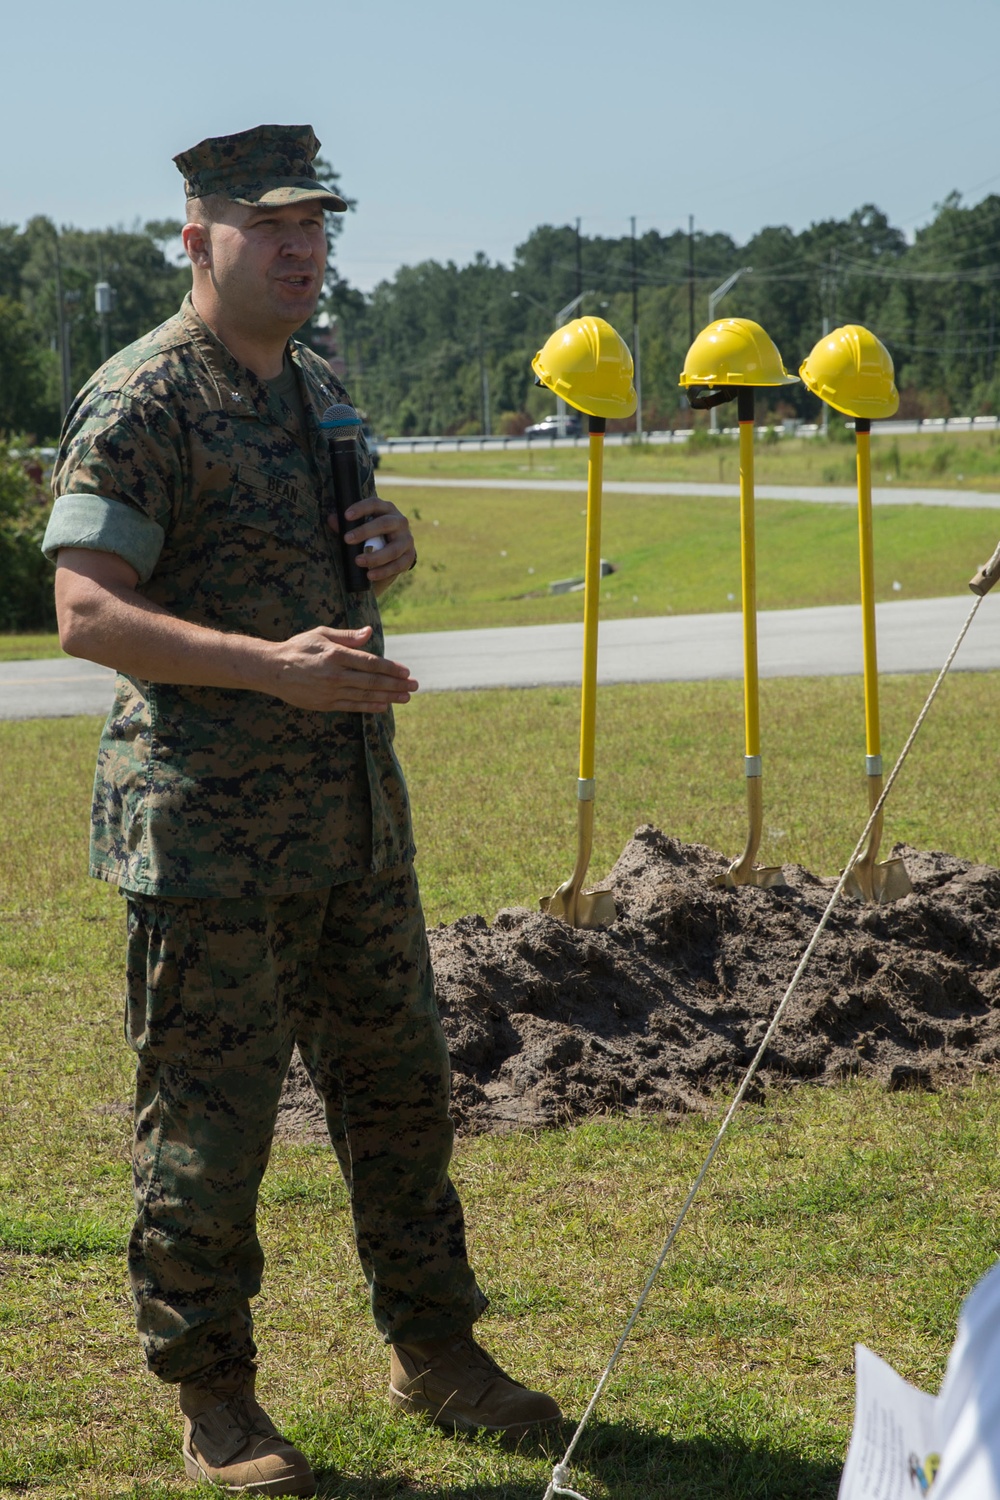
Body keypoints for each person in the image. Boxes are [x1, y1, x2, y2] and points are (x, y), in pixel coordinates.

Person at [42, 124, 559, 1497]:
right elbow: (86, 611)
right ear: (197, 238)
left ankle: (437, 1354)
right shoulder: (146, 397)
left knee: (401, 1103)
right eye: (269, 226)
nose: (300, 250)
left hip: (352, 825)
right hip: (208, 837)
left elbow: (335, 547)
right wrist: (272, 670)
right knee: (209, 1130)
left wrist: (391, 537)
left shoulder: (317, 386)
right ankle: (215, 1400)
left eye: (317, 226)